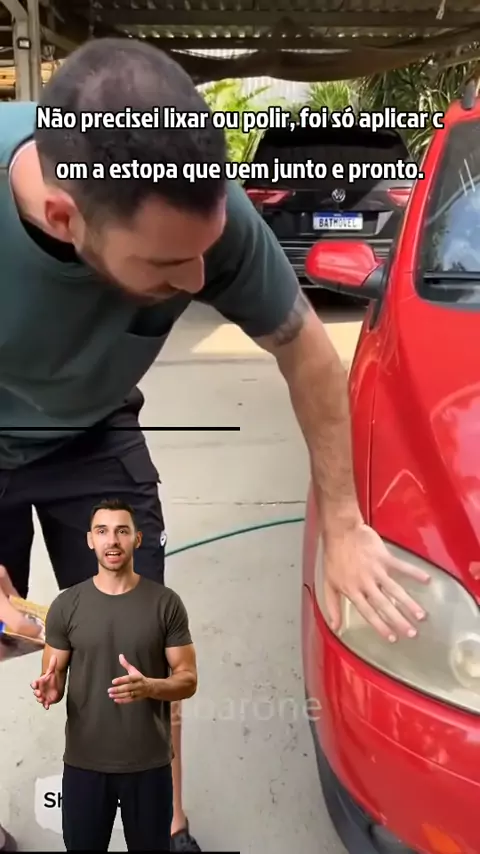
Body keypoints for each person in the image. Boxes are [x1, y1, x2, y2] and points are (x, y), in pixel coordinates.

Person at [0, 36, 430, 852]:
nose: (202, 282)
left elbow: (308, 352)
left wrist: (343, 525)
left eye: (207, 250)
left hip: (92, 428)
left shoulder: (200, 208)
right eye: (167, 265)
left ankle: (162, 823)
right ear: (63, 217)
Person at [31, 498, 197, 852]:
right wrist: (50, 688)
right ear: (90, 539)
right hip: (85, 765)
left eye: (122, 531)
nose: (112, 540)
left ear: (137, 538)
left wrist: (150, 686)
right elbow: (54, 679)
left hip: (149, 765)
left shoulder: (165, 603)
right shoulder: (66, 605)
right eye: (102, 531)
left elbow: (188, 679)